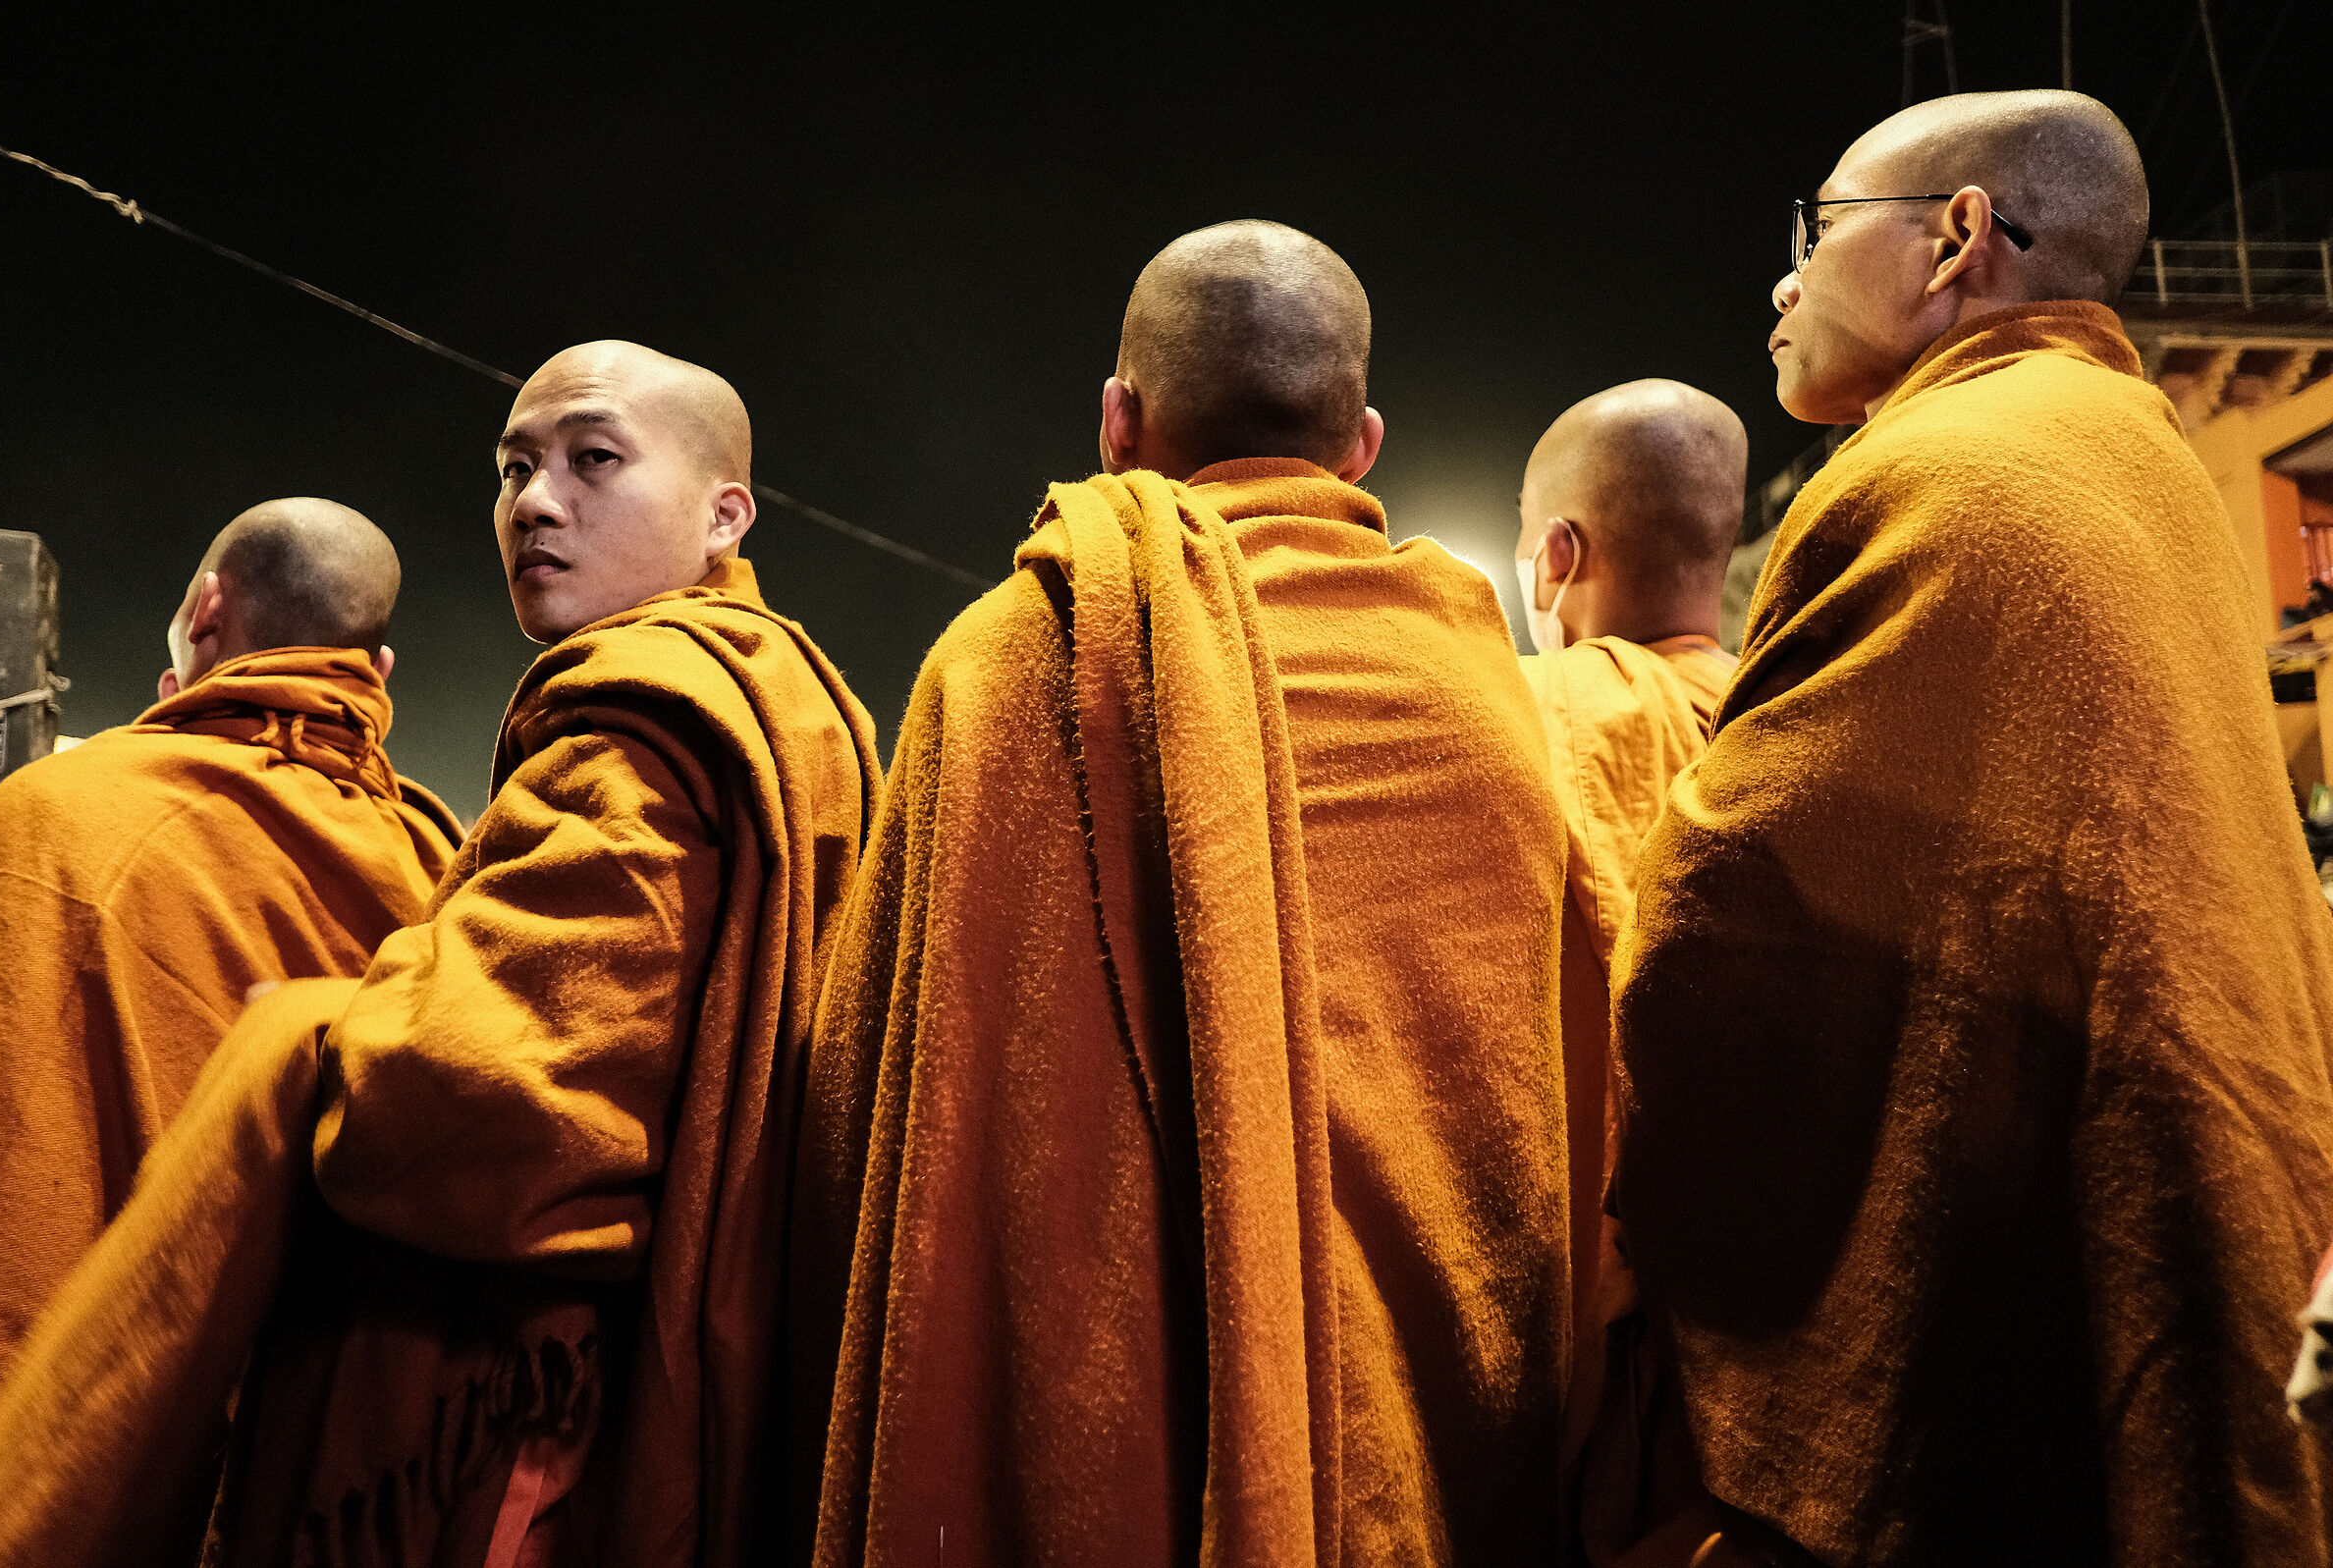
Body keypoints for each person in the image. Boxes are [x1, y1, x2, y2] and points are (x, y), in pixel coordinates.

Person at [0, 342, 880, 1568]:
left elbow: (484, 1102)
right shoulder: (781, 712)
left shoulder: (645, 727)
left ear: (726, 513)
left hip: (531, 1420)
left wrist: (306, 1034)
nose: (535, 502)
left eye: (593, 460)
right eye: (513, 468)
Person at [1613, 89, 2333, 1565]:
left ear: (1957, 238)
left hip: (2025, 1281)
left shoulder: (1931, 473)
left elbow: (1727, 917)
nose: (1783, 281)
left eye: (1813, 234)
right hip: (2212, 1206)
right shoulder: (2138, 452)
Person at [788, 220, 1568, 1565]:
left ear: (1115, 422)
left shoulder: (1012, 658)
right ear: (1363, 443)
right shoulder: (1476, 693)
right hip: (1418, 1475)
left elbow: (863, 1083)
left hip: (1095, 1469)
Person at [0, 498, 459, 1405]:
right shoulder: (441, 864)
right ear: (377, 669)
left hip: (68, 1398)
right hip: (291, 1420)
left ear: (204, 611)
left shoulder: (56, 814)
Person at [1511, 380, 1743, 1565]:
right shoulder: (1792, 709)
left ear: (1556, 554)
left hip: (1591, 1323)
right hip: (1776, 1317)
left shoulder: (1522, 713)